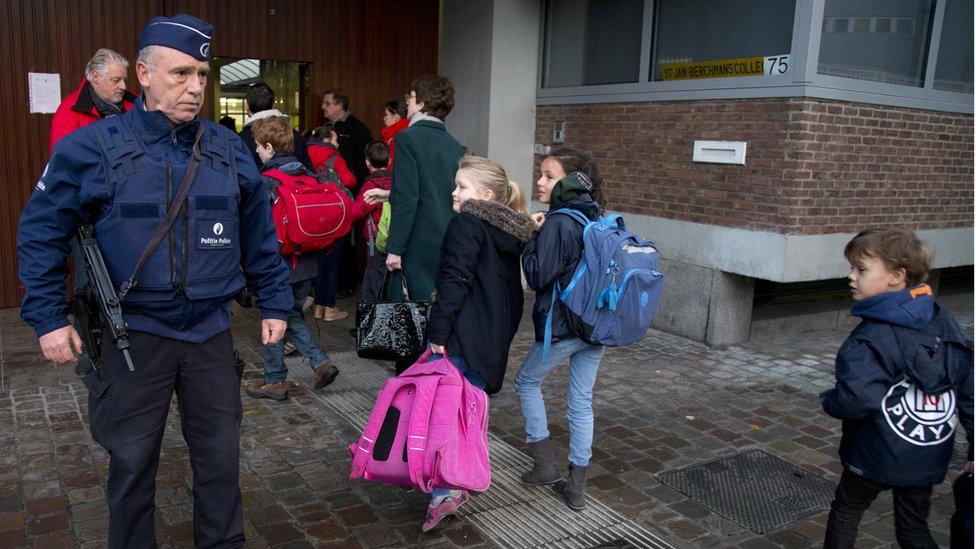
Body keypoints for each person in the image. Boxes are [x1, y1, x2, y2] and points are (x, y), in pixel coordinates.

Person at [16, 14, 292, 547]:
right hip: (132, 336)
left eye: (203, 76)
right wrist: (48, 317)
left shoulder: (227, 147)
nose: (195, 88)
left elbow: (258, 233)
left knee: (219, 460)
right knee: (132, 465)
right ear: (143, 72)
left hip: (209, 333)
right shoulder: (92, 146)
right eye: (180, 73)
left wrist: (276, 301)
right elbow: (41, 230)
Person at [820, 227, 973, 548]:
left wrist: (830, 401)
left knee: (847, 510)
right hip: (927, 455)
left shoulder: (869, 337)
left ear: (896, 276)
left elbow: (857, 398)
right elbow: (968, 386)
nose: (851, 277)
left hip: (874, 452)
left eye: (861, 269)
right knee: (913, 528)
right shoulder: (942, 319)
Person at [421, 156, 533, 531]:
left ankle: (446, 490)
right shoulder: (508, 231)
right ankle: (459, 477)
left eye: (462, 187)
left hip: (463, 334)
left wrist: (438, 332)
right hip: (490, 335)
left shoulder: (467, 222)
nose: (454, 193)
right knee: (467, 412)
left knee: (446, 413)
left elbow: (455, 280)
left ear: (485, 195)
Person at [515, 147, 607, 511]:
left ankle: (545, 465)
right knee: (581, 401)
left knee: (526, 380)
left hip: (566, 326)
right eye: (541, 174)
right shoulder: (594, 214)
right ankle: (577, 487)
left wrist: (530, 236)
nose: (540, 181)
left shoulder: (558, 221)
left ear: (569, 181)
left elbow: (538, 275)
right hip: (596, 326)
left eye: (549, 176)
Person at [245, 116, 340, 401]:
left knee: (273, 314)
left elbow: (257, 228)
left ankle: (275, 380)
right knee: (291, 315)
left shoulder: (266, 182)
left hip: (278, 265)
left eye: (259, 147)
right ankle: (321, 364)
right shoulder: (311, 176)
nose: (257, 152)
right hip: (309, 263)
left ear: (270, 147)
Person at [50, 48, 136, 153]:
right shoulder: (69, 111)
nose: (123, 86)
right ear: (96, 77)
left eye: (124, 80)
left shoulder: (136, 102)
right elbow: (63, 159)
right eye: (116, 80)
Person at [350, 141, 393, 302]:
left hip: (376, 238)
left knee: (375, 279)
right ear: (389, 161)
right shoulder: (397, 180)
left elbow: (356, 212)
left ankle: (375, 318)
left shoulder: (371, 185)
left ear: (367, 162)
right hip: (395, 235)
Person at [239, 82, 313, 171]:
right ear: (274, 104)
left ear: (246, 106)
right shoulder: (293, 134)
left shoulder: (241, 139)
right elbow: (308, 170)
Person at [321, 89, 372, 184]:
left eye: (327, 104)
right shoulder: (324, 127)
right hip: (328, 183)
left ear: (340, 106)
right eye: (323, 103)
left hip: (352, 185)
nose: (322, 106)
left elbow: (367, 158)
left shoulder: (358, 128)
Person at [306, 122, 357, 188]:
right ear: (326, 139)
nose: (338, 144)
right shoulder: (335, 158)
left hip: (309, 195)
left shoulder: (304, 154)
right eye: (336, 140)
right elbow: (349, 181)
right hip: (329, 195)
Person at [379, 99, 408, 167]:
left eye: (386, 115)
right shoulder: (403, 134)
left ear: (396, 117)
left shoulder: (397, 139)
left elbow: (391, 168)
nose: (384, 118)